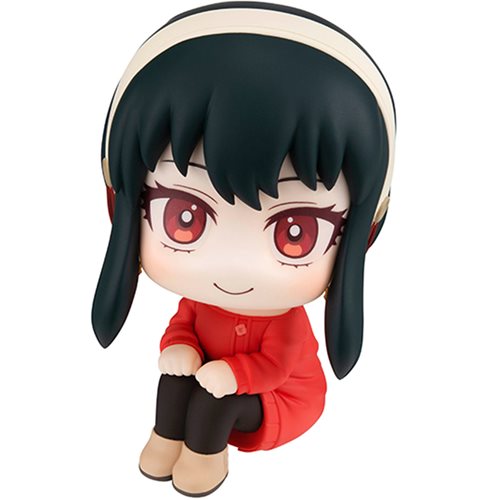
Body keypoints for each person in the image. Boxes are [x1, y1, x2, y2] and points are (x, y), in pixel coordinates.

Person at [92, 2, 396, 496]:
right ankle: (165, 439)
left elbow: (276, 368)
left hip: (279, 399)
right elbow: (182, 326)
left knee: (215, 402)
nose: (235, 264)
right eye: (184, 217)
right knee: (175, 380)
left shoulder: (285, 322)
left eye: (295, 232)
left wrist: (232, 373)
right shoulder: (199, 302)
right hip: (214, 380)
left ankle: (205, 460)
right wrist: (179, 349)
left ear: (365, 232)